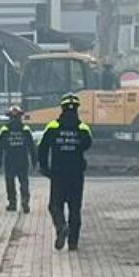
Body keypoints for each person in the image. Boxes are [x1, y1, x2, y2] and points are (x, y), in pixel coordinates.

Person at [36, 95, 93, 250]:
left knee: (55, 205)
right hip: (76, 174)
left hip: (58, 173)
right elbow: (88, 144)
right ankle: (73, 243)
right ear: (77, 108)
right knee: (75, 208)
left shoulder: (53, 127)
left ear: (62, 108)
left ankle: (61, 226)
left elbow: (42, 148)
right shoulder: (82, 128)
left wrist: (43, 167)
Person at [0, 106, 33, 212]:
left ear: (9, 117)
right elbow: (32, 147)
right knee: (24, 181)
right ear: (20, 117)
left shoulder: (5, 130)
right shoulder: (25, 129)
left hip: (9, 160)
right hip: (22, 160)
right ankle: (25, 201)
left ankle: (12, 204)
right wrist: (34, 161)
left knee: (10, 182)